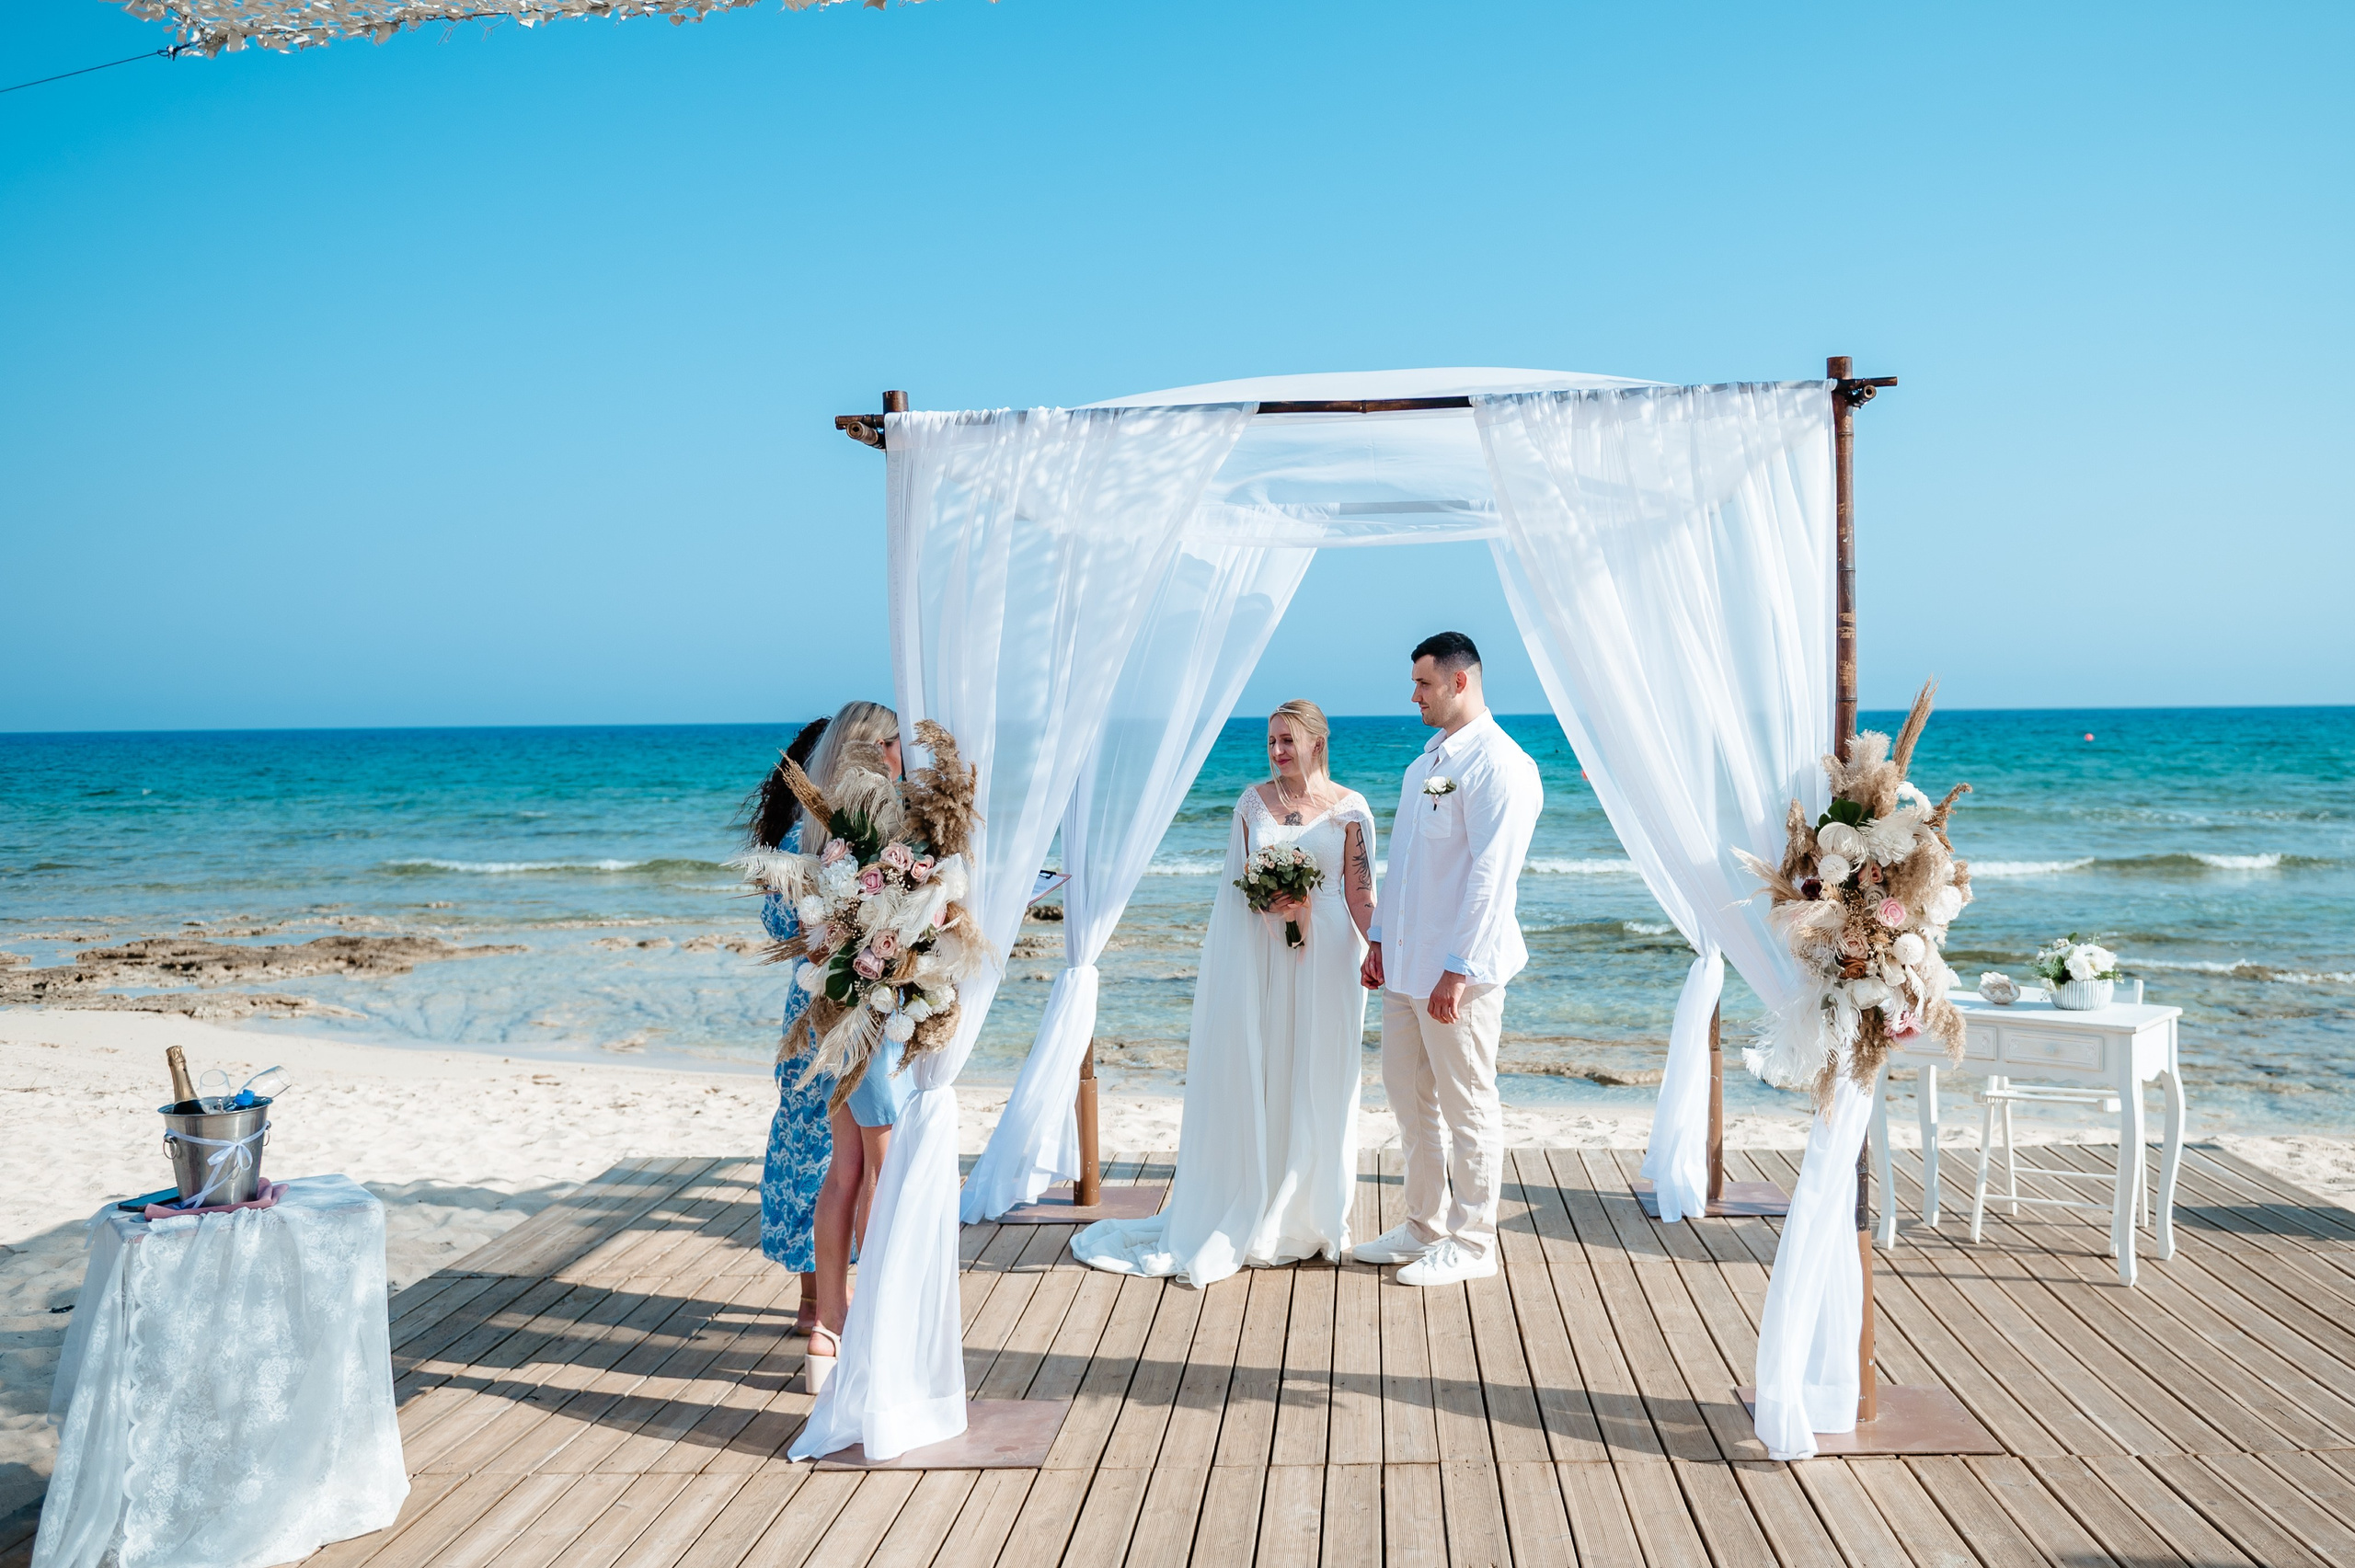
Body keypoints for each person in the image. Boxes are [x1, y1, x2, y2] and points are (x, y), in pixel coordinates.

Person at [1072, 700, 1378, 1288]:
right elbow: (1237, 885)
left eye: (1288, 740)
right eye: (1271, 741)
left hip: (1332, 954)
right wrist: (1273, 904)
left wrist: (1383, 951)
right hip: (1265, 951)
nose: (1278, 750)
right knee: (1266, 1069)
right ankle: (1256, 1203)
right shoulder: (1250, 804)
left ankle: (1312, 1214)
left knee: (1322, 1074)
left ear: (1318, 741)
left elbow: (1362, 895)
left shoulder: (1351, 809)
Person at [1353, 633, 1543, 1287]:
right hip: (1406, 968)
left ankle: (1472, 1241)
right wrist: (1377, 937)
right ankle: (1423, 1226)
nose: (1414, 695)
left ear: (1461, 682)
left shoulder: (1501, 765)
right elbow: (1403, 865)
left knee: (1468, 1104)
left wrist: (1457, 968)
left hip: (1457, 974)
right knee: (1408, 1098)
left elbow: (1493, 875)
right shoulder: (1424, 765)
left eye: (1424, 684)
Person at [798, 700, 907, 1392]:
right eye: (896, 743)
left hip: (826, 1009)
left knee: (843, 1169)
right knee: (882, 1169)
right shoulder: (874, 832)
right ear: (874, 750)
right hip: (868, 1016)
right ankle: (872, 1325)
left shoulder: (820, 836)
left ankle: (826, 1330)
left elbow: (808, 937)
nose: (905, 757)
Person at [743, 714, 835, 1337]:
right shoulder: (798, 851)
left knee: (827, 1145)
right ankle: (820, 1297)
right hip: (815, 1012)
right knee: (812, 1144)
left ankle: (826, 1295)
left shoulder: (853, 836)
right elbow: (791, 934)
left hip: (835, 1010)